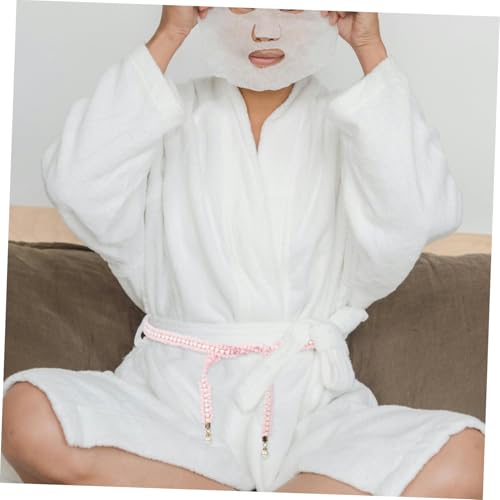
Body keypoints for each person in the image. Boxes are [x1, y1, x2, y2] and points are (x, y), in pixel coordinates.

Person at [2, 6, 485, 498]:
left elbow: (420, 214)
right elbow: (76, 184)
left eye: (289, 8)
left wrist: (369, 48)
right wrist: (170, 33)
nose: (264, 30)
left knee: (470, 455)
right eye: (241, 6)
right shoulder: (163, 115)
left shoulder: (356, 125)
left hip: (311, 413)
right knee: (26, 416)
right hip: (169, 403)